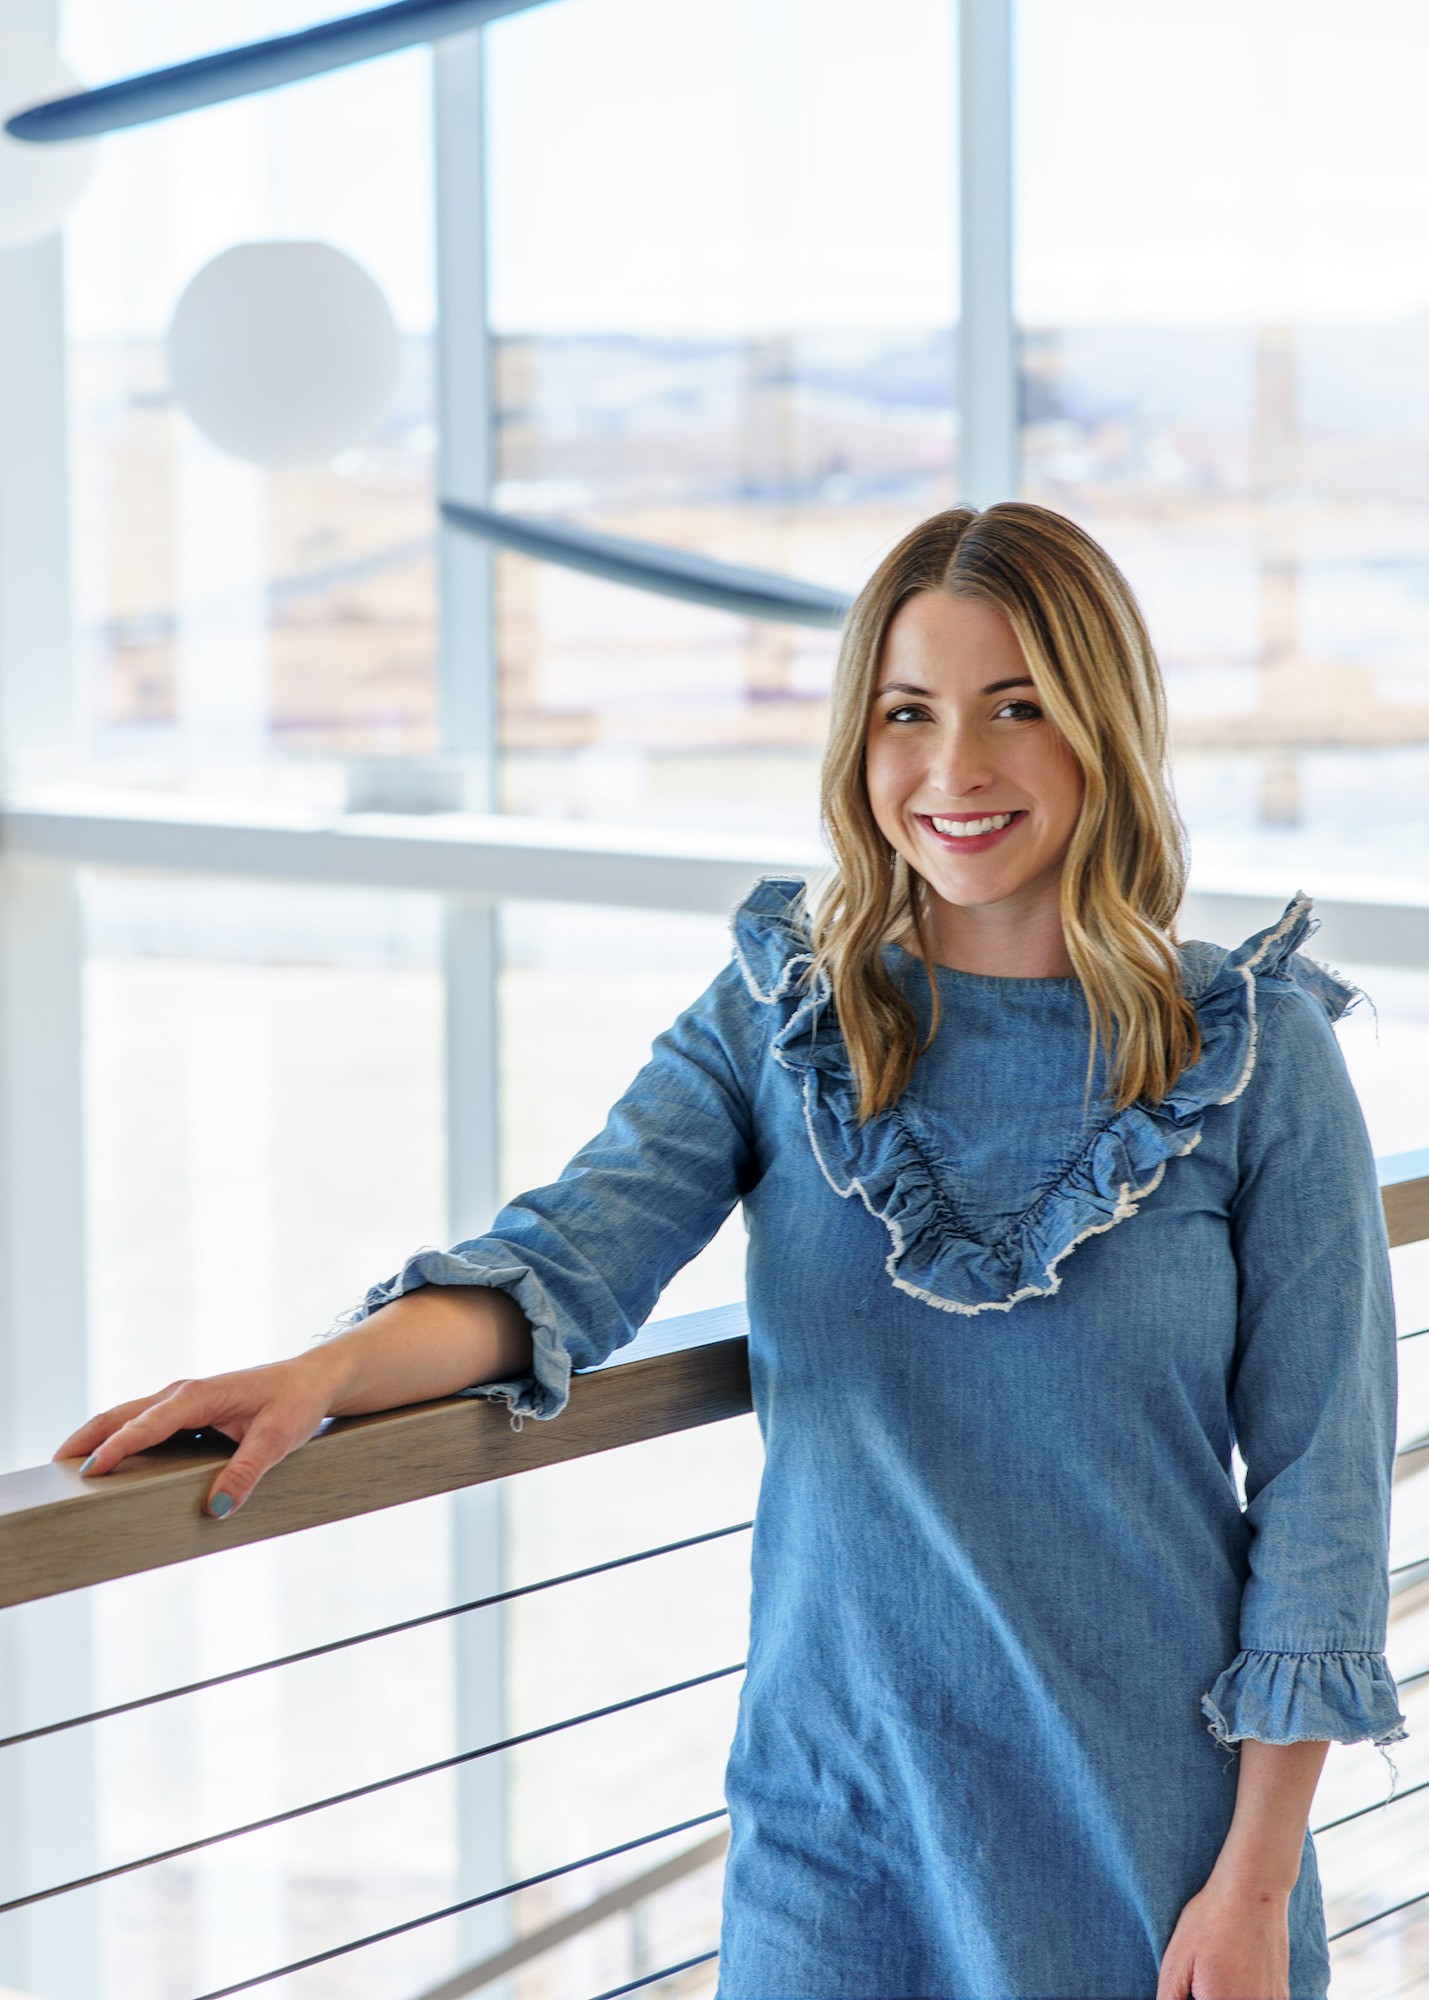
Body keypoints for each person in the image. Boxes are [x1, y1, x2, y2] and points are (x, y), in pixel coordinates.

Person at [62, 503, 1403, 2000]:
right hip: (838, 1832)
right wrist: (321, 1375)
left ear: (1106, 725)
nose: (954, 769)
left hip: (1155, 1847)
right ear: (858, 742)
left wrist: (1256, 1880)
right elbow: (569, 1257)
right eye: (910, 714)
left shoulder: (1256, 1054)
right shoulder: (784, 1025)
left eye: (1015, 707)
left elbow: (1324, 1500)